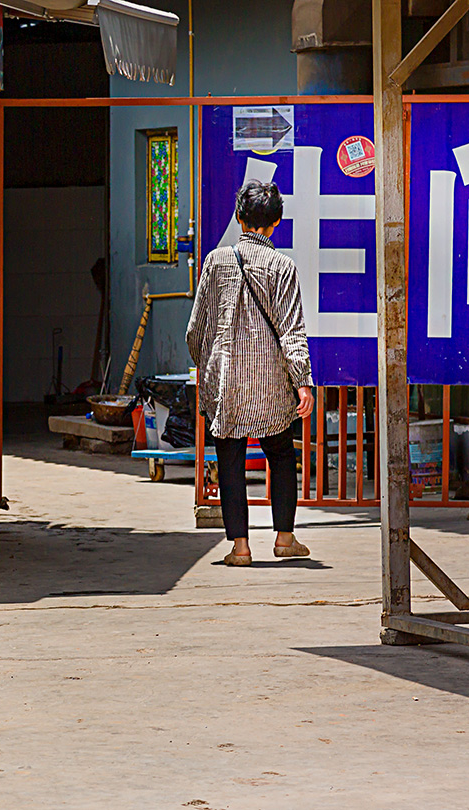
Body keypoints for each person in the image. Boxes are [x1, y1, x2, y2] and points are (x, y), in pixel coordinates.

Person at [186, 181, 314, 566]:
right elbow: (293, 331)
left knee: (230, 458)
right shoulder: (284, 267)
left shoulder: (215, 262)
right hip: (273, 380)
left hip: (226, 381)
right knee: (280, 455)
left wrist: (210, 369)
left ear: (239, 218)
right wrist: (302, 381)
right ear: (276, 222)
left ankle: (240, 548)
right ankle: (284, 539)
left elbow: (196, 330)